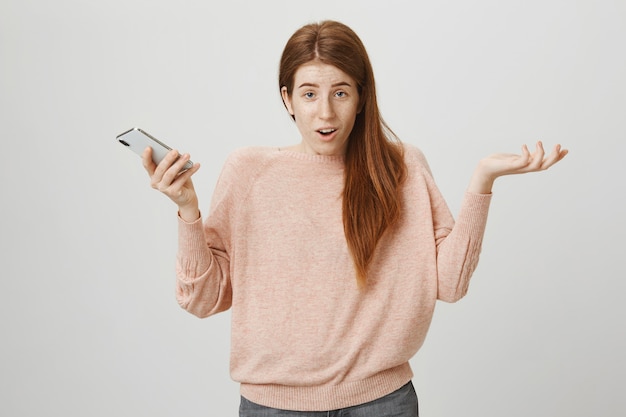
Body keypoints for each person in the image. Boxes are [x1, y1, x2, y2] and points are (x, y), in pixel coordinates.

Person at [141, 20, 567, 417]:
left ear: (361, 96)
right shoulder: (248, 171)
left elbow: (451, 283)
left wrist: (482, 181)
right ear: (287, 99)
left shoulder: (400, 167)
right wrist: (188, 210)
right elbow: (202, 299)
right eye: (309, 94)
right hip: (271, 406)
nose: (325, 113)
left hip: (381, 402)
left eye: (340, 92)